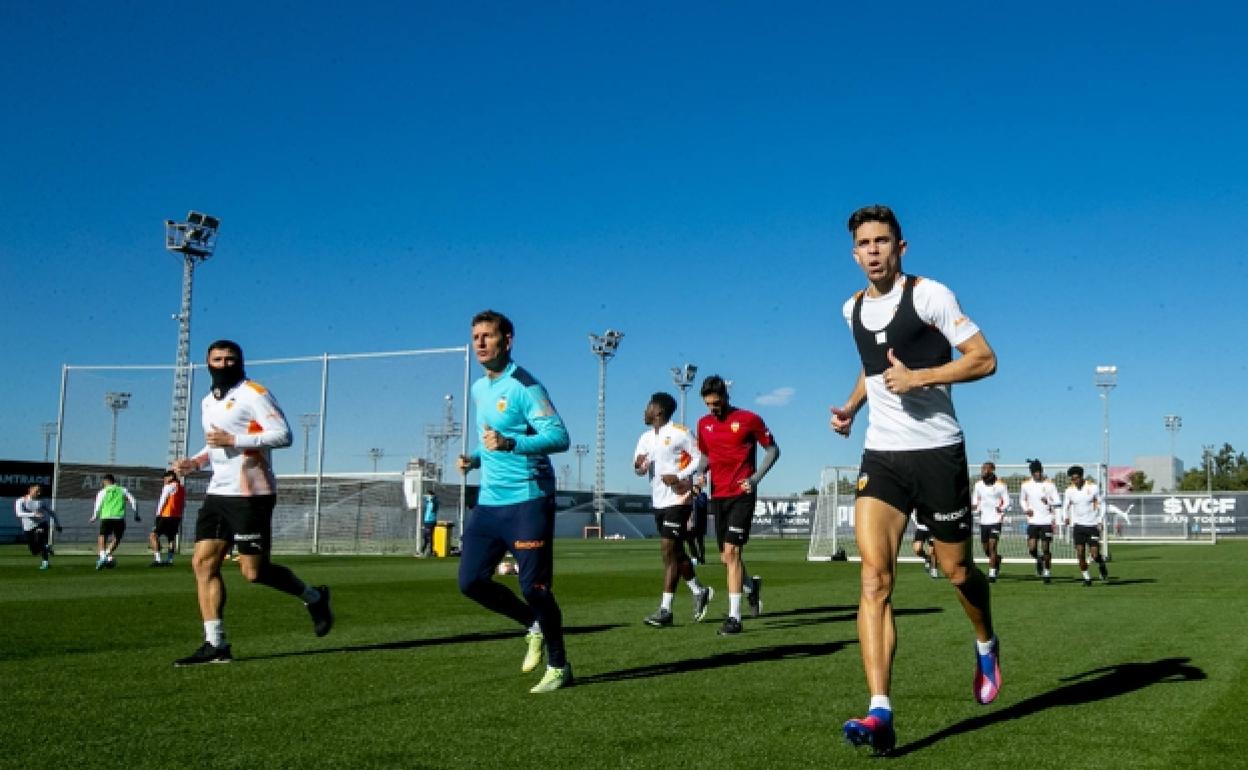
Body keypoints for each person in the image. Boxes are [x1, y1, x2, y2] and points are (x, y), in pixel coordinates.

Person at [829, 205, 1001, 755]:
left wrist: (920, 377)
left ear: (901, 248)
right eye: (864, 243)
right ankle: (880, 710)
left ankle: (986, 641)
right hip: (882, 456)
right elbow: (872, 363)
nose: (873, 250)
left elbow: (984, 359)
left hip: (938, 453)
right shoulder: (851, 308)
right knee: (874, 580)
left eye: (883, 240)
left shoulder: (929, 296)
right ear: (854, 254)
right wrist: (855, 406)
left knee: (957, 572)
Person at [171, 340, 332, 666]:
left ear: (241, 362)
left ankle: (314, 597)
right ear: (207, 363)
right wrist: (196, 463)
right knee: (203, 564)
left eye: (230, 359)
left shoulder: (254, 393)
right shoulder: (207, 402)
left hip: (251, 495)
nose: (223, 364)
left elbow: (283, 435)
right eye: (217, 359)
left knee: (254, 573)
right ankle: (215, 644)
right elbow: (215, 448)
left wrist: (235, 439)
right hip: (218, 493)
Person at [455, 310, 573, 693]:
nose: (480, 343)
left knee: (535, 588)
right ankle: (532, 623)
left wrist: (512, 444)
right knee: (470, 581)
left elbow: (559, 437)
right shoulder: (478, 389)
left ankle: (559, 666)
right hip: (489, 501)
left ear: (508, 340)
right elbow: (491, 435)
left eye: (488, 336)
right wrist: (474, 458)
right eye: (476, 337)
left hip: (528, 499)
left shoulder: (525, 386)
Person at [694, 374, 779, 636]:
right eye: (708, 404)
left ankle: (734, 618)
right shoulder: (704, 424)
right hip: (717, 495)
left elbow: (773, 450)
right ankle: (751, 589)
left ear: (726, 397)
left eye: (716, 403)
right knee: (725, 557)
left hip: (741, 494)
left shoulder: (748, 419)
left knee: (732, 554)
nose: (712, 409)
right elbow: (707, 454)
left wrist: (754, 479)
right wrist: (700, 474)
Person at [633, 391, 713, 627]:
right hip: (658, 501)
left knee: (667, 550)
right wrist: (638, 466)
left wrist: (679, 476)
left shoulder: (680, 432)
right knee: (676, 553)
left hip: (679, 499)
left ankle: (665, 610)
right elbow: (638, 467)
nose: (644, 411)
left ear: (658, 410)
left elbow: (702, 458)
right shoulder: (645, 438)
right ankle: (699, 590)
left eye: (648, 406)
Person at [1063, 465, 1109, 586]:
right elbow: (1065, 506)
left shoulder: (1093, 488)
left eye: (1077, 478)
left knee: (1094, 555)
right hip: (1078, 526)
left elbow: (1103, 504)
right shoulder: (1069, 491)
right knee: (1080, 553)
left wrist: (1100, 520)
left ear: (1082, 477)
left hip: (1093, 526)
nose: (1075, 481)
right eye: (1072, 479)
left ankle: (1101, 563)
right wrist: (1066, 517)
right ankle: (1087, 578)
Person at [1019, 459, 1061, 584]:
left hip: (1046, 521)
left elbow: (1058, 502)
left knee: (1046, 548)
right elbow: (1022, 500)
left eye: (1039, 471)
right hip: (1033, 521)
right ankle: (1038, 559)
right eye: (1035, 472)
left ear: (1042, 471)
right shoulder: (1025, 485)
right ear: (1031, 473)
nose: (1037, 474)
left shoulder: (1050, 484)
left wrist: (1048, 501)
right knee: (1032, 548)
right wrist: (1026, 509)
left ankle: (1047, 573)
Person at [972, 461, 1012, 582]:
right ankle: (997, 560)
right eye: (982, 469)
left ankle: (992, 574)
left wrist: (1001, 508)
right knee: (986, 549)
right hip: (984, 521)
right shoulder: (978, 485)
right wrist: (975, 509)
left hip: (996, 520)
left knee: (993, 546)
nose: (984, 471)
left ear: (992, 470)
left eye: (986, 469)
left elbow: (1007, 501)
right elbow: (975, 501)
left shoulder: (1001, 485)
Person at [90, 474, 139, 569]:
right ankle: (107, 554)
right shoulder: (123, 490)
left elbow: (98, 504)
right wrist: (136, 514)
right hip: (119, 518)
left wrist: (94, 516)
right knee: (117, 537)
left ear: (105, 481)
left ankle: (103, 556)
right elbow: (134, 501)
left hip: (107, 517)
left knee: (102, 536)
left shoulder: (103, 491)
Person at [15, 484, 61, 570]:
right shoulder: (21, 501)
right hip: (28, 528)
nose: (39, 493)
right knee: (34, 551)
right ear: (30, 490)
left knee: (41, 541)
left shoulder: (41, 502)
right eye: (37, 491)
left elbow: (52, 513)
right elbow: (19, 513)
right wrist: (34, 514)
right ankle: (46, 548)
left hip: (41, 525)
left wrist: (57, 524)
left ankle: (45, 563)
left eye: (40, 491)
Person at [149, 470, 186, 566]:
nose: (164, 480)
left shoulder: (169, 487)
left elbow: (163, 500)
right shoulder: (182, 488)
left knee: (153, 536)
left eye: (165, 478)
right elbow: (183, 504)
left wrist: (158, 514)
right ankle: (170, 560)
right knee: (171, 538)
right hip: (177, 516)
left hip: (166, 515)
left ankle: (158, 559)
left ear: (170, 477)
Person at [909, 512, 939, 579]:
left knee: (932, 551)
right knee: (917, 549)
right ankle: (927, 558)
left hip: (932, 529)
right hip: (920, 530)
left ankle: (934, 569)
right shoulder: (910, 507)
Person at [419, 490, 439, 557]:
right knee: (426, 537)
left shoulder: (434, 502)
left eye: (429, 495)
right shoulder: (429, 502)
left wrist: (432, 499)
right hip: (427, 521)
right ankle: (425, 551)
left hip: (431, 521)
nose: (427, 496)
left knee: (428, 537)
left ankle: (428, 551)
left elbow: (434, 508)